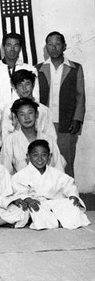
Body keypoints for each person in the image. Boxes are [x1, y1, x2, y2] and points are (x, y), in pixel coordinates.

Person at [36, 31, 85, 178]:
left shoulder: (75, 68)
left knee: (66, 161)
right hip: (44, 123)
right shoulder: (38, 68)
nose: (54, 48)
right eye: (50, 44)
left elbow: (80, 95)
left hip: (66, 123)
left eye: (58, 44)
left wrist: (77, 119)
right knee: (43, 160)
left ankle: (70, 196)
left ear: (64, 46)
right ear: (46, 48)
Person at [11, 140, 90, 230]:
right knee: (34, 210)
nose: (40, 159)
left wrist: (73, 195)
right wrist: (28, 199)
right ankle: (53, 220)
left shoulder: (55, 173)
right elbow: (18, 191)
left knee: (71, 204)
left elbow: (69, 184)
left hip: (56, 202)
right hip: (38, 204)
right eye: (35, 155)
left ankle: (56, 219)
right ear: (28, 157)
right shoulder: (21, 175)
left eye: (44, 155)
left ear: (49, 157)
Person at [0, 98, 64, 174]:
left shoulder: (49, 140)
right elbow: (4, 172)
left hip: (48, 184)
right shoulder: (10, 140)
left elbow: (59, 170)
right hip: (20, 184)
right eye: (22, 114)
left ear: (37, 114)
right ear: (16, 118)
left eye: (30, 113)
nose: (27, 118)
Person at [0, 32, 39, 110]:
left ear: (20, 48)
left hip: (23, 117)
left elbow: (35, 98)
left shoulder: (30, 69)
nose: (12, 49)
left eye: (16, 45)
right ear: (3, 47)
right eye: (9, 45)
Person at [2, 69, 56, 142]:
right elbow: (6, 136)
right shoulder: (8, 109)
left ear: (33, 84)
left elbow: (52, 137)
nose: (24, 88)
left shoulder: (44, 110)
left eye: (27, 84)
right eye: (20, 85)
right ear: (15, 88)